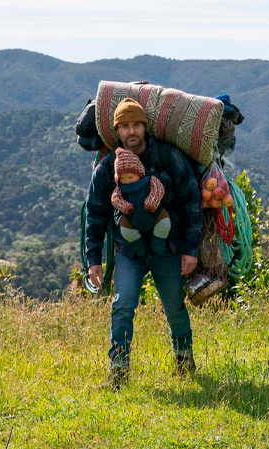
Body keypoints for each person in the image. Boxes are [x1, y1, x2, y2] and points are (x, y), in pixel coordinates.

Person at [85, 97, 202, 389]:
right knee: (122, 304)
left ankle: (184, 362)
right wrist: (93, 260)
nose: (132, 131)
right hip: (129, 250)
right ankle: (119, 371)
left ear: (145, 126)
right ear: (117, 131)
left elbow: (191, 203)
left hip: (168, 248)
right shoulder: (108, 166)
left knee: (174, 306)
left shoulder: (168, 157)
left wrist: (191, 250)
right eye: (124, 126)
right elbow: (96, 213)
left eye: (136, 124)